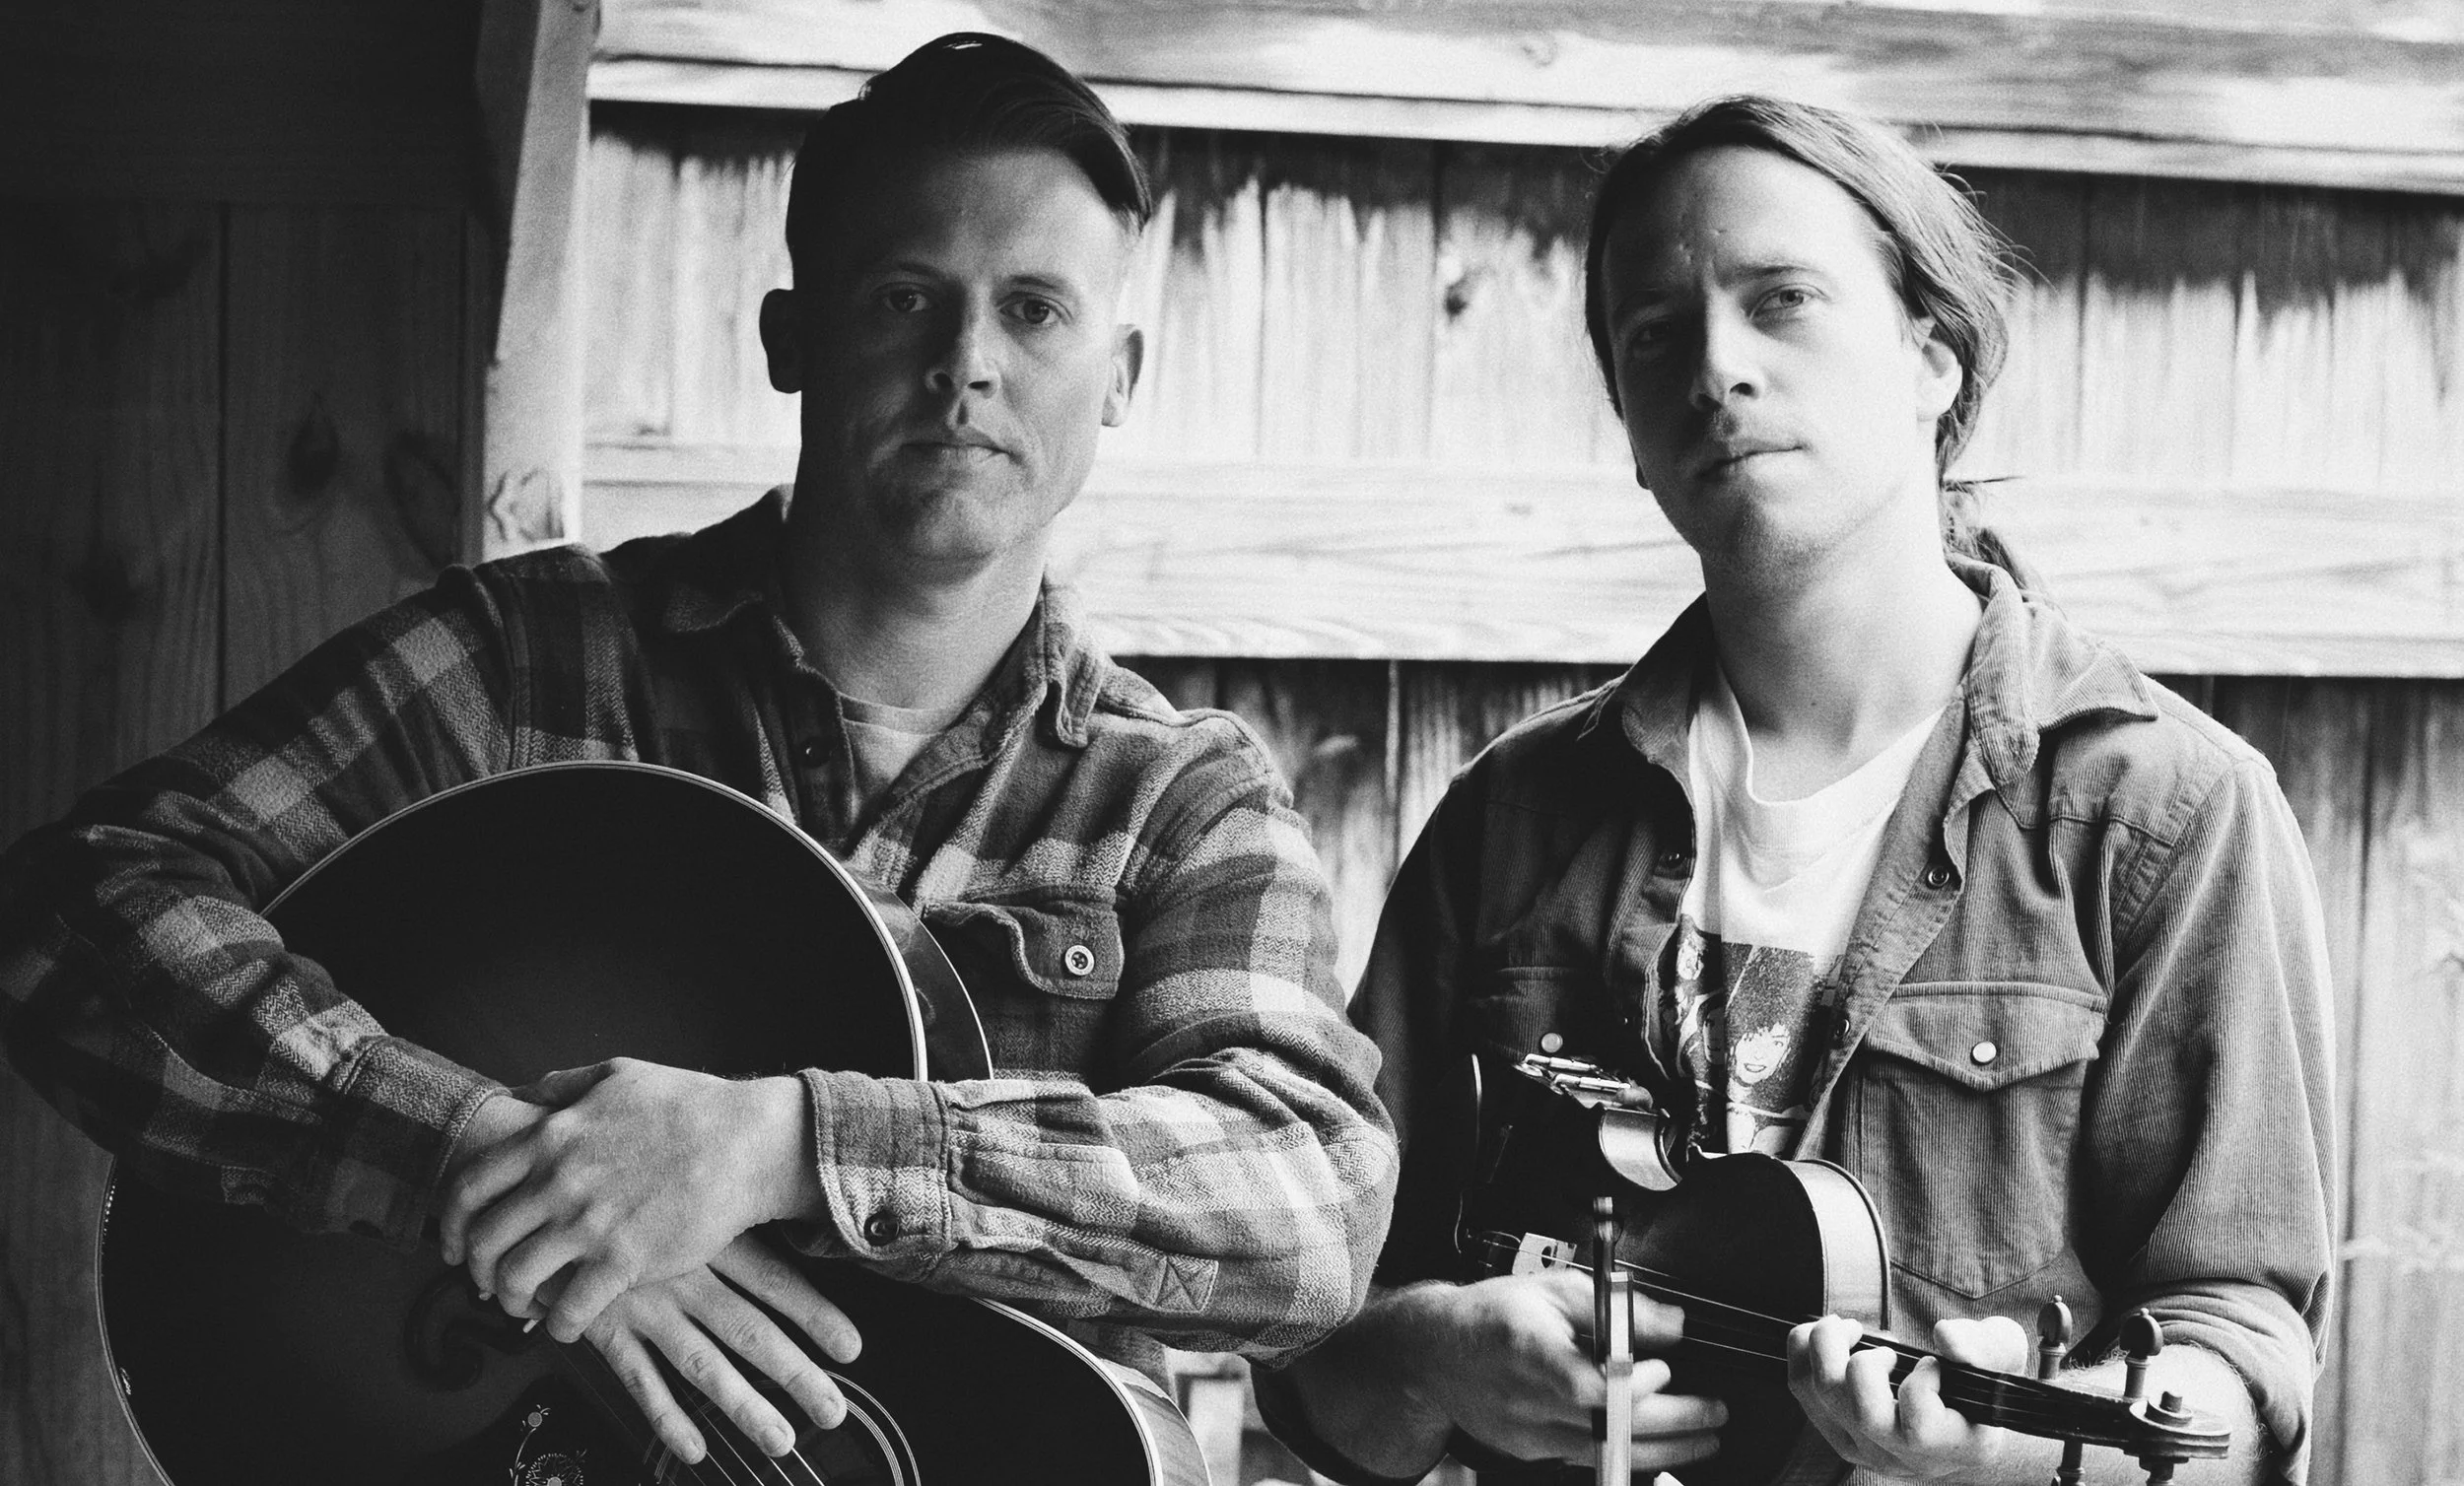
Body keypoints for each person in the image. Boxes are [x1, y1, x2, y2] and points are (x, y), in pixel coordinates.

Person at [0, 34, 1394, 1469]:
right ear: (791, 336)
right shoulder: (532, 658)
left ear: (1117, 374)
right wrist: (493, 1170)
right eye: (904, 297)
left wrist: (780, 1151)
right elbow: (83, 904)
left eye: (1034, 311)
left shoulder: (1179, 796)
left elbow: (1309, 1208)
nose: (965, 364)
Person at [1257, 95, 2334, 1485]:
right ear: (1635, 434)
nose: (1718, 367)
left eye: (1784, 303)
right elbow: (1316, 1323)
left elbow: (2241, 1352)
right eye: (1657, 335)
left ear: (1932, 357)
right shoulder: (1509, 822)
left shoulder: (2164, 817)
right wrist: (1435, 1352)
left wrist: (2011, 1454)